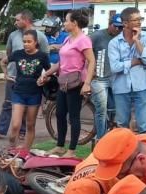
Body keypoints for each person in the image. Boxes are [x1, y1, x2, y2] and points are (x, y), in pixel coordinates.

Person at [42, 8, 95, 159]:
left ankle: (71, 150)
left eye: (66, 20)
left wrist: (87, 83)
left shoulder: (83, 40)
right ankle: (59, 146)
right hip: (63, 81)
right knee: (59, 114)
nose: (64, 23)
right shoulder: (67, 39)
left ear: (75, 23)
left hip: (76, 83)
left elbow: (91, 61)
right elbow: (60, 62)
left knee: (74, 117)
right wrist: (46, 73)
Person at [0, 10, 49, 143]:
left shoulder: (40, 36)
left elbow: (45, 55)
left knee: (27, 109)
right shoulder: (13, 35)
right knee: (7, 104)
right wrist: (6, 74)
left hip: (32, 80)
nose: (15, 22)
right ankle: (0, 130)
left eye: (17, 20)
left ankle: (23, 133)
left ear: (26, 20)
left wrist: (44, 77)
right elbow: (8, 53)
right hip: (14, 76)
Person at [109, 7, 146, 135]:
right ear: (125, 23)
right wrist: (133, 62)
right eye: (135, 20)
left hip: (143, 86)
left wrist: (136, 40)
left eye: (140, 19)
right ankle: (123, 153)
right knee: (122, 125)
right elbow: (114, 67)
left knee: (144, 126)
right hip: (121, 87)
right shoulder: (114, 43)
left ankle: (144, 154)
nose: (139, 22)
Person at [8, 30, 51, 153]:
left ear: (36, 42)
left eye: (29, 42)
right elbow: (3, 61)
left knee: (30, 124)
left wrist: (44, 79)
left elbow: (49, 73)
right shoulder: (17, 54)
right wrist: (6, 74)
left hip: (34, 93)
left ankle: (26, 151)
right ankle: (11, 148)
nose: (26, 44)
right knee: (15, 125)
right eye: (24, 42)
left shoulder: (42, 56)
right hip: (18, 92)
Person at [88, 14, 122, 141]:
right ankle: (100, 138)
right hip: (99, 79)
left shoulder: (120, 38)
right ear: (110, 24)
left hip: (114, 78)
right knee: (101, 110)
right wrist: (90, 71)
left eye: (120, 27)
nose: (118, 30)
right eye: (116, 26)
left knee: (113, 109)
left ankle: (108, 133)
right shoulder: (97, 36)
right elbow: (86, 52)